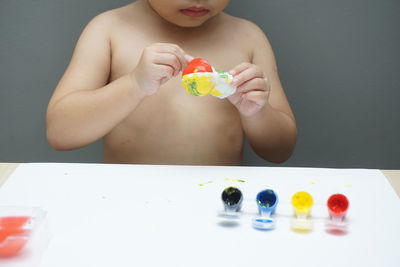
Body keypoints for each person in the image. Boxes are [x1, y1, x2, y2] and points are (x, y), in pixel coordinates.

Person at [46, 0, 297, 165]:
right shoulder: (109, 29)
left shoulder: (248, 37)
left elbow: (279, 151)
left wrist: (257, 113)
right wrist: (134, 85)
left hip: (216, 200)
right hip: (127, 197)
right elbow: (61, 133)